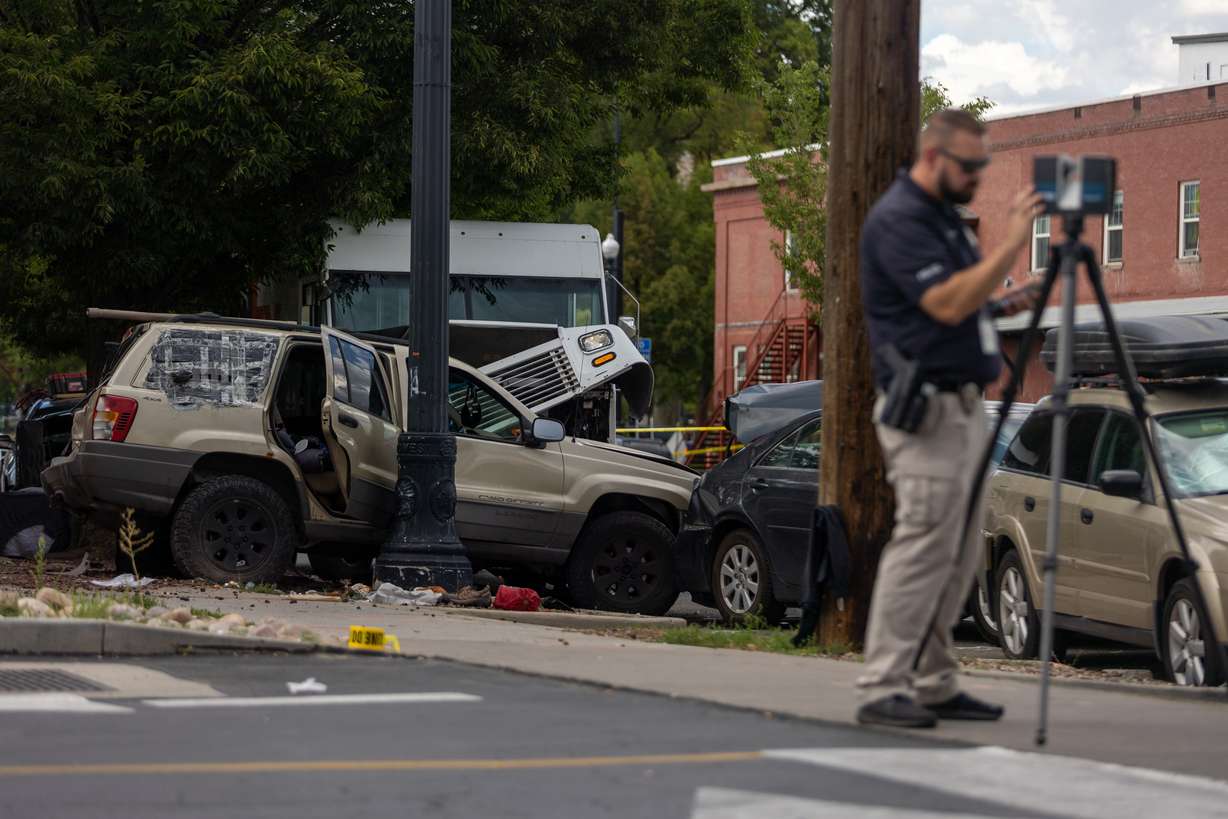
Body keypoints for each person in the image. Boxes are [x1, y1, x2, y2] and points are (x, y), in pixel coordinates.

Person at [855, 108, 1042, 728]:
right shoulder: (900, 219)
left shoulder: (941, 219)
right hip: (925, 410)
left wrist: (1012, 296)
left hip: (962, 406)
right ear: (934, 158)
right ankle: (884, 683)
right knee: (923, 545)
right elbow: (943, 302)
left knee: (959, 553)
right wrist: (1013, 243)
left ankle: (934, 680)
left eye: (983, 165)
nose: (978, 177)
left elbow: (967, 304)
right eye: (971, 165)